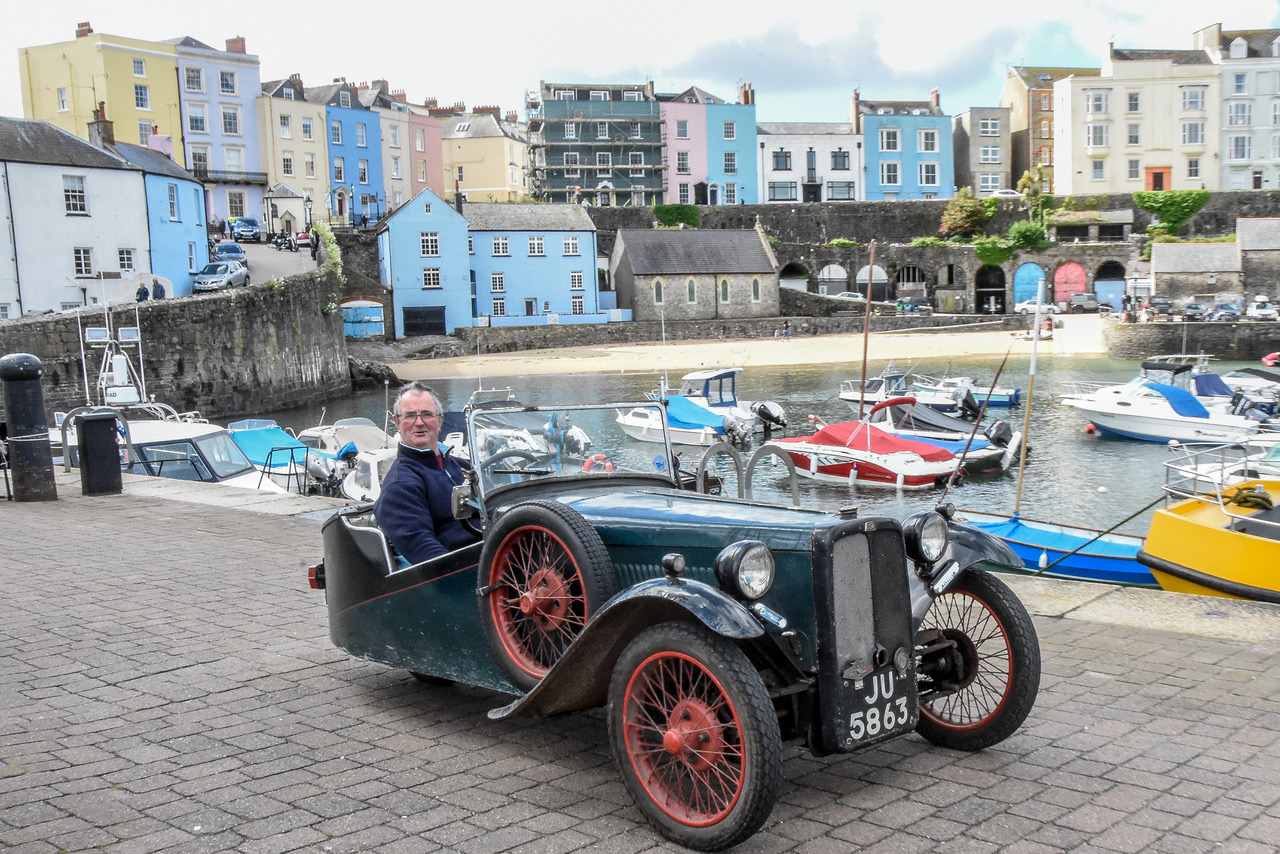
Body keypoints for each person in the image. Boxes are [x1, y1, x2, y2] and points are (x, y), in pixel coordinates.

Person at [374, 381, 481, 564]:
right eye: (409, 416)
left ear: (440, 421)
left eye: (426, 414)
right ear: (397, 423)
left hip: (494, 554)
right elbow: (426, 554)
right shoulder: (400, 484)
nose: (419, 423)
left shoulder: (463, 467)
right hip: (464, 574)